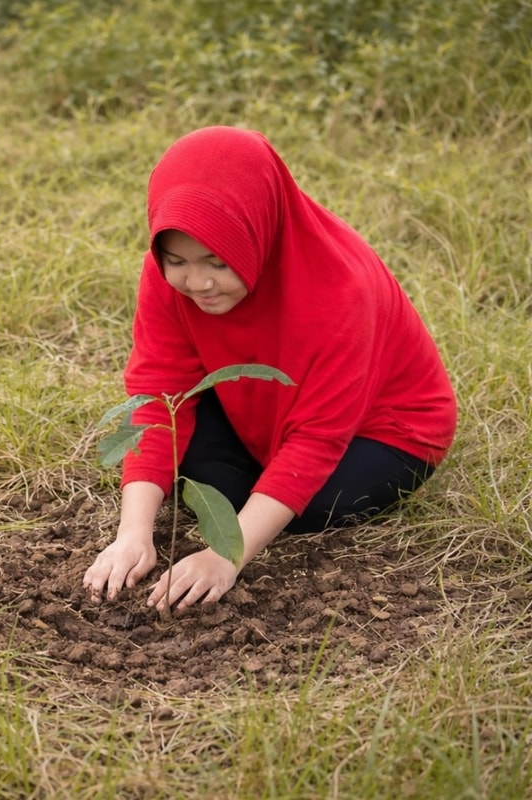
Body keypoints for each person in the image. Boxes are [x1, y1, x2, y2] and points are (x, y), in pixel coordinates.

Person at [83, 126, 457, 612]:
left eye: (218, 263)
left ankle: (267, 493)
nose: (198, 282)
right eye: (177, 261)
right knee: (201, 482)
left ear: (259, 231)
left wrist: (225, 554)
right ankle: (261, 486)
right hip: (258, 404)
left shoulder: (342, 292)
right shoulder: (167, 273)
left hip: (380, 429)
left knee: (306, 507)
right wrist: (132, 534)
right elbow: (160, 393)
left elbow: (320, 437)